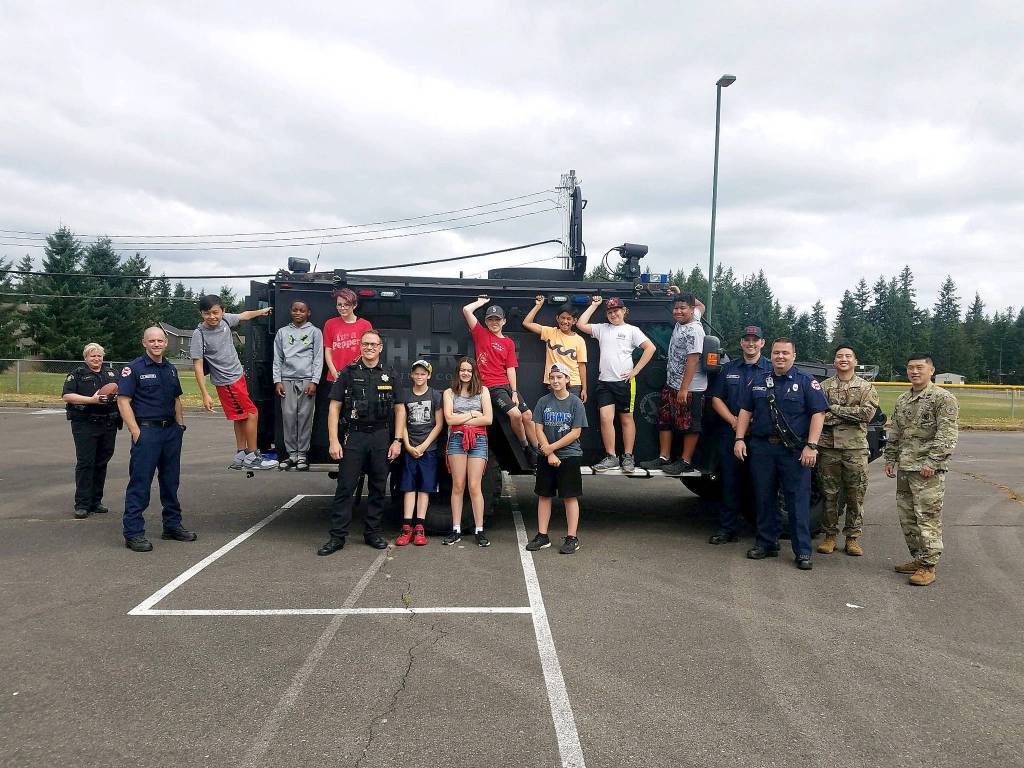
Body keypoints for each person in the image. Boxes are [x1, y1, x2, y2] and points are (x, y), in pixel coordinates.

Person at [733, 338, 829, 570]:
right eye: (776, 353)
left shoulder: (806, 381)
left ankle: (803, 551)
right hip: (762, 448)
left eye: (785, 353)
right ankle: (766, 543)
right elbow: (745, 410)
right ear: (771, 354)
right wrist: (739, 439)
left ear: (794, 356)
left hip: (794, 452)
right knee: (763, 498)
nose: (780, 357)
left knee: (797, 501)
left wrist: (811, 445)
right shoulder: (758, 381)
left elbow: (819, 413)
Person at [318, 329, 403, 556]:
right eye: (366, 344)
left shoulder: (390, 374)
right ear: (360, 346)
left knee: (378, 486)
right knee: (345, 486)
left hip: (381, 436)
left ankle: (372, 532)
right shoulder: (347, 373)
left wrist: (398, 440)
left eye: (374, 345)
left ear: (380, 348)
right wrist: (334, 440)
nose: (370, 348)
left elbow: (400, 408)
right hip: (354, 435)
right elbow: (334, 408)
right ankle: (337, 537)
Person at [116, 327, 195, 552]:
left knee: (171, 482)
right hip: (147, 432)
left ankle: (172, 526)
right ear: (144, 343)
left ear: (166, 342)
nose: (157, 344)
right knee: (140, 483)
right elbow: (123, 401)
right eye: (152, 341)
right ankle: (133, 533)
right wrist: (135, 431)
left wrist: (180, 425)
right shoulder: (133, 369)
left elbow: (176, 399)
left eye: (160, 340)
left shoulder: (170, 369)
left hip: (170, 432)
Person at [883, 353, 959, 586]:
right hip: (906, 467)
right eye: (910, 368)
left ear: (931, 371)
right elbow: (895, 431)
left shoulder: (942, 398)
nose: (914, 372)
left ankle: (929, 566)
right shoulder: (904, 399)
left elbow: (947, 435)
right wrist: (890, 458)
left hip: (927, 470)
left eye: (919, 368)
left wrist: (932, 462)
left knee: (927, 518)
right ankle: (918, 558)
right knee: (907, 517)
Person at [190, 294, 278, 470]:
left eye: (215, 312)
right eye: (207, 313)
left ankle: (241, 454)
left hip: (238, 377)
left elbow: (244, 315)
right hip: (227, 382)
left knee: (240, 417)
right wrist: (205, 394)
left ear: (222, 311)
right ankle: (252, 456)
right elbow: (198, 366)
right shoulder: (199, 334)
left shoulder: (225, 321)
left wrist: (262, 311)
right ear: (201, 314)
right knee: (252, 413)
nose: (212, 317)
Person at [706, 325, 772, 545]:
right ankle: (728, 529)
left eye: (755, 340)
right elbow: (716, 398)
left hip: (760, 436)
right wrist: (735, 422)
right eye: (747, 339)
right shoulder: (729, 369)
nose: (751, 343)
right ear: (741, 343)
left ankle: (764, 534)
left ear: (762, 343)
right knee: (730, 483)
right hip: (731, 433)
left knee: (763, 485)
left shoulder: (771, 370)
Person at [576, 296, 656, 473]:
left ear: (624, 311)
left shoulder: (632, 330)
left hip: (625, 382)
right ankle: (611, 456)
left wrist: (636, 370)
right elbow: (581, 325)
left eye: (616, 311)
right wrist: (594, 305)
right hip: (604, 382)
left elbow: (650, 348)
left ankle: (628, 456)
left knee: (626, 419)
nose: (613, 314)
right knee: (605, 419)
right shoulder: (602, 329)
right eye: (610, 312)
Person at [816, 345, 880, 557]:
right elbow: (819, 414)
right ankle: (830, 536)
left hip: (855, 448)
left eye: (848, 356)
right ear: (834, 361)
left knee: (855, 495)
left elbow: (866, 415)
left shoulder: (866, 387)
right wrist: (846, 414)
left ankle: (852, 538)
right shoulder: (824, 386)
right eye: (839, 356)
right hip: (828, 448)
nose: (843, 359)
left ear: (855, 360)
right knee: (829, 494)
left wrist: (834, 410)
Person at [463, 296, 537, 465]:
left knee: (527, 415)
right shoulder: (480, 334)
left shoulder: (509, 343)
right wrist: (481, 302)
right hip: (491, 387)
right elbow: (467, 310)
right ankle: (525, 446)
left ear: (504, 321)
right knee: (516, 415)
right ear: (486, 321)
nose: (494, 322)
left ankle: (538, 450)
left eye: (497, 319)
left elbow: (510, 368)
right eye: (490, 319)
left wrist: (515, 392)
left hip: (506, 385)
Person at [640, 293, 707, 476]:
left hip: (690, 388)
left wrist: (684, 388)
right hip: (672, 385)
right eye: (676, 308)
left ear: (690, 309)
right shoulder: (683, 321)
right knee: (664, 420)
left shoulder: (695, 330)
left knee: (689, 425)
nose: (678, 311)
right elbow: (701, 306)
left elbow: (693, 360)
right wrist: (681, 291)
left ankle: (685, 461)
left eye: (682, 308)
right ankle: (664, 457)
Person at [525, 363, 588, 555]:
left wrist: (553, 448)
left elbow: (576, 432)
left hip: (569, 456)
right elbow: (538, 428)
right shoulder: (544, 401)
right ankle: (542, 536)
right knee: (544, 495)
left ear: (567, 379)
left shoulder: (575, 403)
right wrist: (549, 452)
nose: (555, 381)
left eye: (559, 377)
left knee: (570, 496)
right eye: (552, 378)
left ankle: (572, 537)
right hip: (547, 456)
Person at [61, 342, 122, 519]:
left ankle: (96, 501)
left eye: (99, 355)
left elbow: (122, 391)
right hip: (85, 423)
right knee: (86, 462)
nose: (96, 358)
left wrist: (116, 395)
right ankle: (82, 503)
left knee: (102, 462)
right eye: (92, 355)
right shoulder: (77, 374)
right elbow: (67, 396)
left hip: (108, 423)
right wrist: (92, 400)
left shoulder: (111, 374)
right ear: (85, 357)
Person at [442, 356, 493, 547]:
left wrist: (460, 418)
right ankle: (456, 529)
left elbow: (488, 419)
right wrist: (473, 414)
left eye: (469, 370)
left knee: (474, 486)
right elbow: (449, 420)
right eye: (462, 370)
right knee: (458, 485)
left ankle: (479, 529)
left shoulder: (483, 391)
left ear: (474, 373)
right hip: (456, 439)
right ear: (458, 372)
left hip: (478, 439)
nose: (465, 373)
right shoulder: (449, 393)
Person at [394, 360, 444, 546]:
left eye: (423, 373)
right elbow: (403, 422)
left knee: (425, 487)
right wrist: (407, 444)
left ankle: (420, 527)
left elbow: (439, 424)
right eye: (417, 373)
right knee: (408, 487)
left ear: (429, 375)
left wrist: (424, 446)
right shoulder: (406, 395)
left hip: (428, 449)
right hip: (410, 448)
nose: (420, 376)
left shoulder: (435, 395)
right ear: (411, 375)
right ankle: (406, 526)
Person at [272, 300, 324, 470]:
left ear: (308, 312)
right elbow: (277, 359)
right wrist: (277, 380)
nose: (298, 313)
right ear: (290, 311)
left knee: (304, 417)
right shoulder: (282, 332)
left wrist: (315, 381)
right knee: (288, 416)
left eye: (302, 310)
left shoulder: (315, 332)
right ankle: (291, 455)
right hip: (287, 379)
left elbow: (318, 358)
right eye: (295, 310)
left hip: (307, 380)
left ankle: (302, 455)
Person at [522, 296, 589, 401]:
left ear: (574, 321)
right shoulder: (551, 332)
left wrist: (584, 389)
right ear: (557, 318)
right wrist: (538, 305)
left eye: (569, 318)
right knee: (555, 415)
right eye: (562, 317)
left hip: (573, 384)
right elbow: (526, 323)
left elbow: (582, 365)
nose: (565, 321)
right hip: (554, 381)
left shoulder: (579, 340)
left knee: (570, 415)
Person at [323, 287, 374, 383]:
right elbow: (328, 350)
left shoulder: (365, 325)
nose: (342, 308)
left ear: (354, 305)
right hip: (335, 376)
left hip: (359, 376)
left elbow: (368, 351)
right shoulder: (330, 324)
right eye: (339, 305)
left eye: (346, 305)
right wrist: (334, 373)